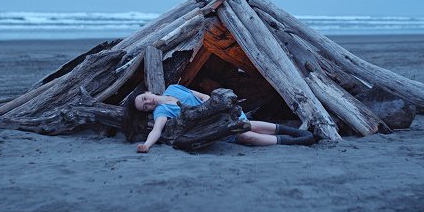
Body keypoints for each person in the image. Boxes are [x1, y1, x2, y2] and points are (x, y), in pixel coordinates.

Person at [130, 84, 315, 153]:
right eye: (145, 106)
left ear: (147, 92)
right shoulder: (160, 112)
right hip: (214, 126)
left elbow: (202, 96)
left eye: (145, 98)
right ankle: (289, 141)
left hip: (222, 111)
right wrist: (146, 145)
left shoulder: (173, 88)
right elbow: (157, 130)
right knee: (245, 135)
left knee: (245, 125)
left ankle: (293, 132)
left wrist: (216, 107)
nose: (148, 103)